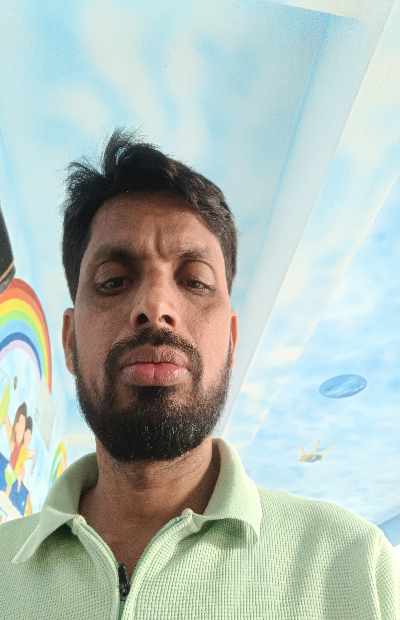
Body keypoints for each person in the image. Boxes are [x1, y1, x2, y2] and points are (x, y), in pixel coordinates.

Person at [0, 130, 398, 619]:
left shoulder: (353, 568)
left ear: (231, 341)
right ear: (69, 340)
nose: (155, 306)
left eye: (195, 281)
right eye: (113, 281)